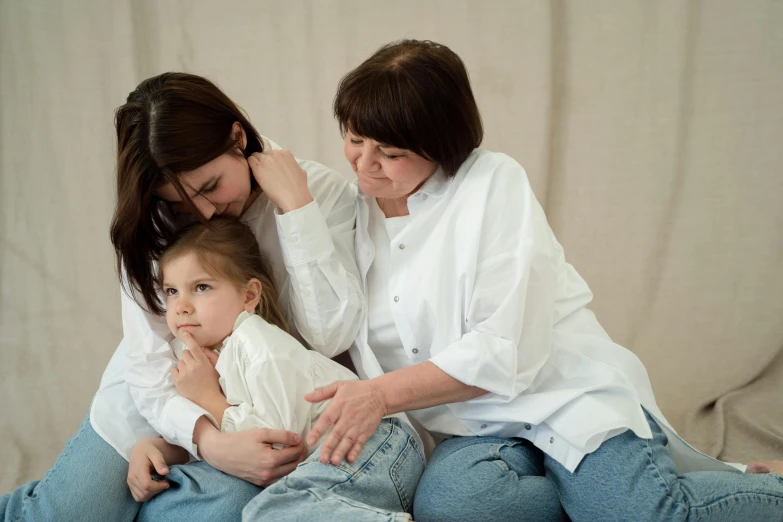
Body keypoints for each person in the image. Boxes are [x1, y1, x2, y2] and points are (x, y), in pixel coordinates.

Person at [299, 39, 783, 522]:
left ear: (442, 143)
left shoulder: (492, 183)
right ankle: (597, 500)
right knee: (455, 508)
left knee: (644, 515)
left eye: (391, 152)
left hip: (562, 398)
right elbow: (245, 156)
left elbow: (501, 350)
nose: (363, 165)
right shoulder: (350, 211)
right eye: (356, 140)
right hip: (470, 429)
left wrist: (380, 394)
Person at [1, 72, 364, 522]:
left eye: (211, 187)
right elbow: (149, 365)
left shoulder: (319, 195)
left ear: (237, 136)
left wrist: (296, 209)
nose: (206, 213)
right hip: (156, 406)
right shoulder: (150, 222)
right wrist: (209, 442)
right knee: (64, 514)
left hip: (259, 412)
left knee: (216, 510)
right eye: (181, 204)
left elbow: (330, 337)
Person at [128, 216, 423, 521]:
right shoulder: (190, 358)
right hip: (327, 462)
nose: (181, 306)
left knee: (266, 512)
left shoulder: (260, 347)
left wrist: (208, 400)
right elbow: (213, 443)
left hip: (373, 440)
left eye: (201, 287)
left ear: (249, 296)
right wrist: (155, 448)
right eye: (172, 291)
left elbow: (275, 450)